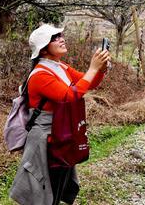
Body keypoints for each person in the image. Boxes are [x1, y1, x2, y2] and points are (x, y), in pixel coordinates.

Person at [10, 23, 111, 205]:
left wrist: (100, 70)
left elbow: (87, 83)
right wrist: (93, 68)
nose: (61, 39)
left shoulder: (60, 67)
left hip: (60, 135)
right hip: (46, 139)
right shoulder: (40, 74)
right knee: (45, 188)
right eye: (54, 38)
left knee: (56, 186)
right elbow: (69, 96)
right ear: (43, 49)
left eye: (60, 35)